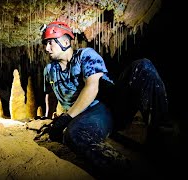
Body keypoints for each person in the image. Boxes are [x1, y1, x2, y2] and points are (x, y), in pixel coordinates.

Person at [40, 21, 170, 176]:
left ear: (66, 41)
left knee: (143, 66)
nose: (46, 48)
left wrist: (65, 118)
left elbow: (92, 87)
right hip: (87, 117)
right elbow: (51, 95)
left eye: (50, 43)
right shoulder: (49, 70)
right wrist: (50, 120)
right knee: (75, 134)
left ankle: (159, 137)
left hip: (107, 104)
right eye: (45, 44)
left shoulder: (85, 55)